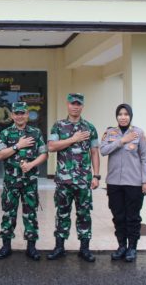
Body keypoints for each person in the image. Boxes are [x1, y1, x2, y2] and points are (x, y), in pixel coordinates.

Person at [47, 93, 100, 262]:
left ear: (82, 106)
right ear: (67, 105)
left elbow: (94, 152)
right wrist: (73, 139)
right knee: (62, 213)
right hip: (64, 180)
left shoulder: (90, 127)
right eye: (73, 103)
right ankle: (59, 247)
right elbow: (51, 147)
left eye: (78, 104)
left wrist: (96, 175)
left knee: (84, 214)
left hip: (84, 180)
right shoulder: (58, 126)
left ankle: (84, 249)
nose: (75, 107)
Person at [0, 101, 48, 261]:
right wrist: (18, 146)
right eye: (16, 113)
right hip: (11, 182)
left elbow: (44, 154)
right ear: (12, 115)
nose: (19, 116)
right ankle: (6, 246)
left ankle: (31, 247)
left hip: (29, 182)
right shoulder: (5, 133)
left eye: (22, 113)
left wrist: (31, 164)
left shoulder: (35, 133)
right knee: (8, 214)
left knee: (30, 214)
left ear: (27, 115)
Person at [100, 103, 146, 262]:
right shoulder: (110, 132)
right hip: (114, 183)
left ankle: (132, 248)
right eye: (120, 114)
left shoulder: (138, 133)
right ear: (116, 116)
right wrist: (121, 141)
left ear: (130, 116)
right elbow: (103, 151)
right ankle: (121, 246)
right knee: (118, 216)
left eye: (126, 114)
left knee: (133, 217)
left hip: (134, 183)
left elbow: (145, 158)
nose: (123, 117)